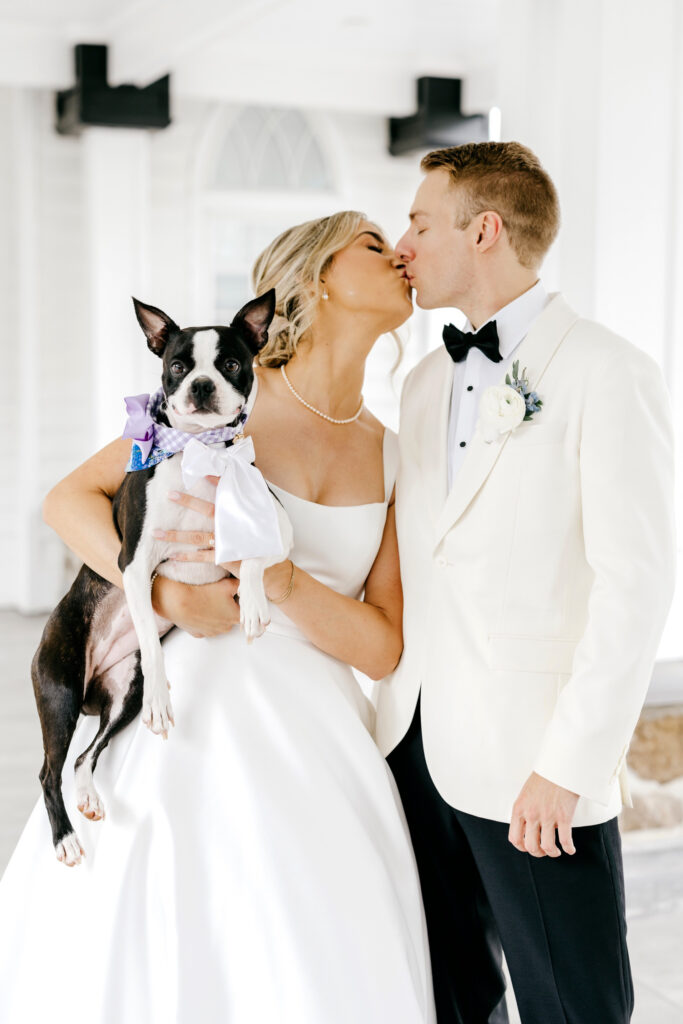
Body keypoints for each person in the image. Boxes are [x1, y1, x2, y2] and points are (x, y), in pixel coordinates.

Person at [0, 212, 436, 1024]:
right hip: (185, 721)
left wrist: (283, 582)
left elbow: (380, 648)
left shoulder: (391, 449)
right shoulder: (209, 393)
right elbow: (68, 499)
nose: (401, 254)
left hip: (318, 745)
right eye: (374, 244)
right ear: (314, 277)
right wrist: (170, 598)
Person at [374, 140, 677, 1024]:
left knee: (574, 1006)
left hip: (532, 768)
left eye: (420, 222)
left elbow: (637, 584)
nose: (403, 244)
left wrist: (568, 766)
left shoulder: (610, 373)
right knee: (454, 996)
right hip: (415, 748)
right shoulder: (426, 382)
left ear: (484, 231)